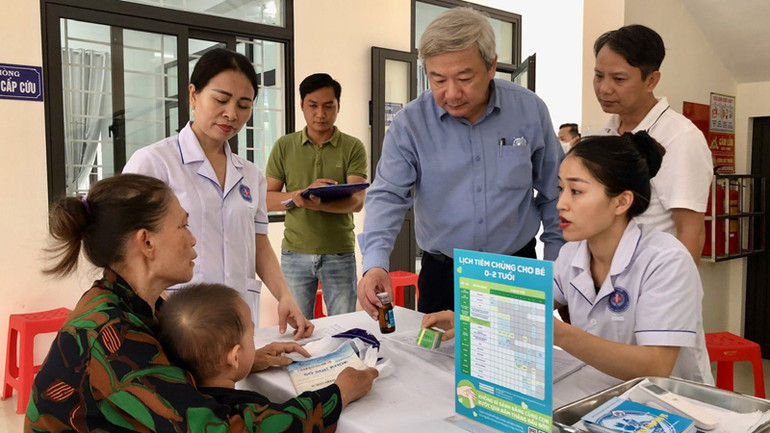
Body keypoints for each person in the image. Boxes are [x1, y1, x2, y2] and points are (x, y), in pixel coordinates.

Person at [26, 174, 377, 432]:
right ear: (146, 242)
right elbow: (218, 428)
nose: (193, 240)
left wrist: (246, 360)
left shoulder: (129, 303)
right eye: (183, 226)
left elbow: (166, 371)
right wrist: (337, 394)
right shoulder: (112, 335)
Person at [422, 133, 714, 384]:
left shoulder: (666, 260)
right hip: (603, 393)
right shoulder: (573, 253)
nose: (561, 203)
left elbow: (655, 366)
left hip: (671, 407)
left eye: (576, 191)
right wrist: (469, 318)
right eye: (561, 189)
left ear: (621, 201)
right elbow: (523, 304)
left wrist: (558, 334)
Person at [357, 7, 564, 318]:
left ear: (492, 66)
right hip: (443, 275)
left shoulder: (529, 111)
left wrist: (556, 265)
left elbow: (555, 194)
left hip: (516, 268)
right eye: (437, 79)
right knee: (436, 363)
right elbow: (388, 195)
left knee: (517, 364)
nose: (451, 93)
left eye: (465, 78)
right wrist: (374, 263)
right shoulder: (411, 124)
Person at [123, 48, 311, 337]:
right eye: (221, 99)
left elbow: (259, 244)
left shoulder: (250, 174)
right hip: (177, 319)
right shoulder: (154, 163)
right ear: (193, 95)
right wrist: (162, 306)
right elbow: (129, 250)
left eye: (244, 105)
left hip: (238, 316)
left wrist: (284, 295)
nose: (232, 114)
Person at [158, 282, 377, 428]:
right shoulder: (245, 411)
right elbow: (290, 423)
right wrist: (341, 391)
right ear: (235, 357)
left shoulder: (177, 398)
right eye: (251, 336)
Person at [592, 24, 713, 263]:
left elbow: (691, 233)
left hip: (650, 284)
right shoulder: (603, 135)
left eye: (618, 79)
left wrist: (673, 295)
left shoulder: (681, 138)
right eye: (598, 76)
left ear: (651, 81)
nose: (604, 88)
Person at [265, 73, 367, 319]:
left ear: (338, 106)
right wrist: (297, 197)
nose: (320, 114)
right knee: (298, 329)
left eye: (328, 106)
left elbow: (357, 202)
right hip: (294, 253)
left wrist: (319, 205)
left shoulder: (353, 147)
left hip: (339, 253)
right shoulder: (284, 146)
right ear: (302, 105)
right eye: (313, 106)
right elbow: (267, 199)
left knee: (343, 326)